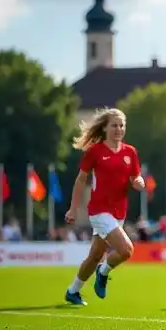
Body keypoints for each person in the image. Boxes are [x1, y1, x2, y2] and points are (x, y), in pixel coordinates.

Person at [64, 108, 144, 305]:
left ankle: (72, 291)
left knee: (95, 256)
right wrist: (73, 208)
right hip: (99, 211)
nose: (118, 129)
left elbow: (135, 176)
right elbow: (80, 180)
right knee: (126, 250)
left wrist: (139, 182)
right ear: (105, 128)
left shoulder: (130, 152)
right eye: (114, 125)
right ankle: (104, 271)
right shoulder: (95, 152)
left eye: (121, 125)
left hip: (119, 211)